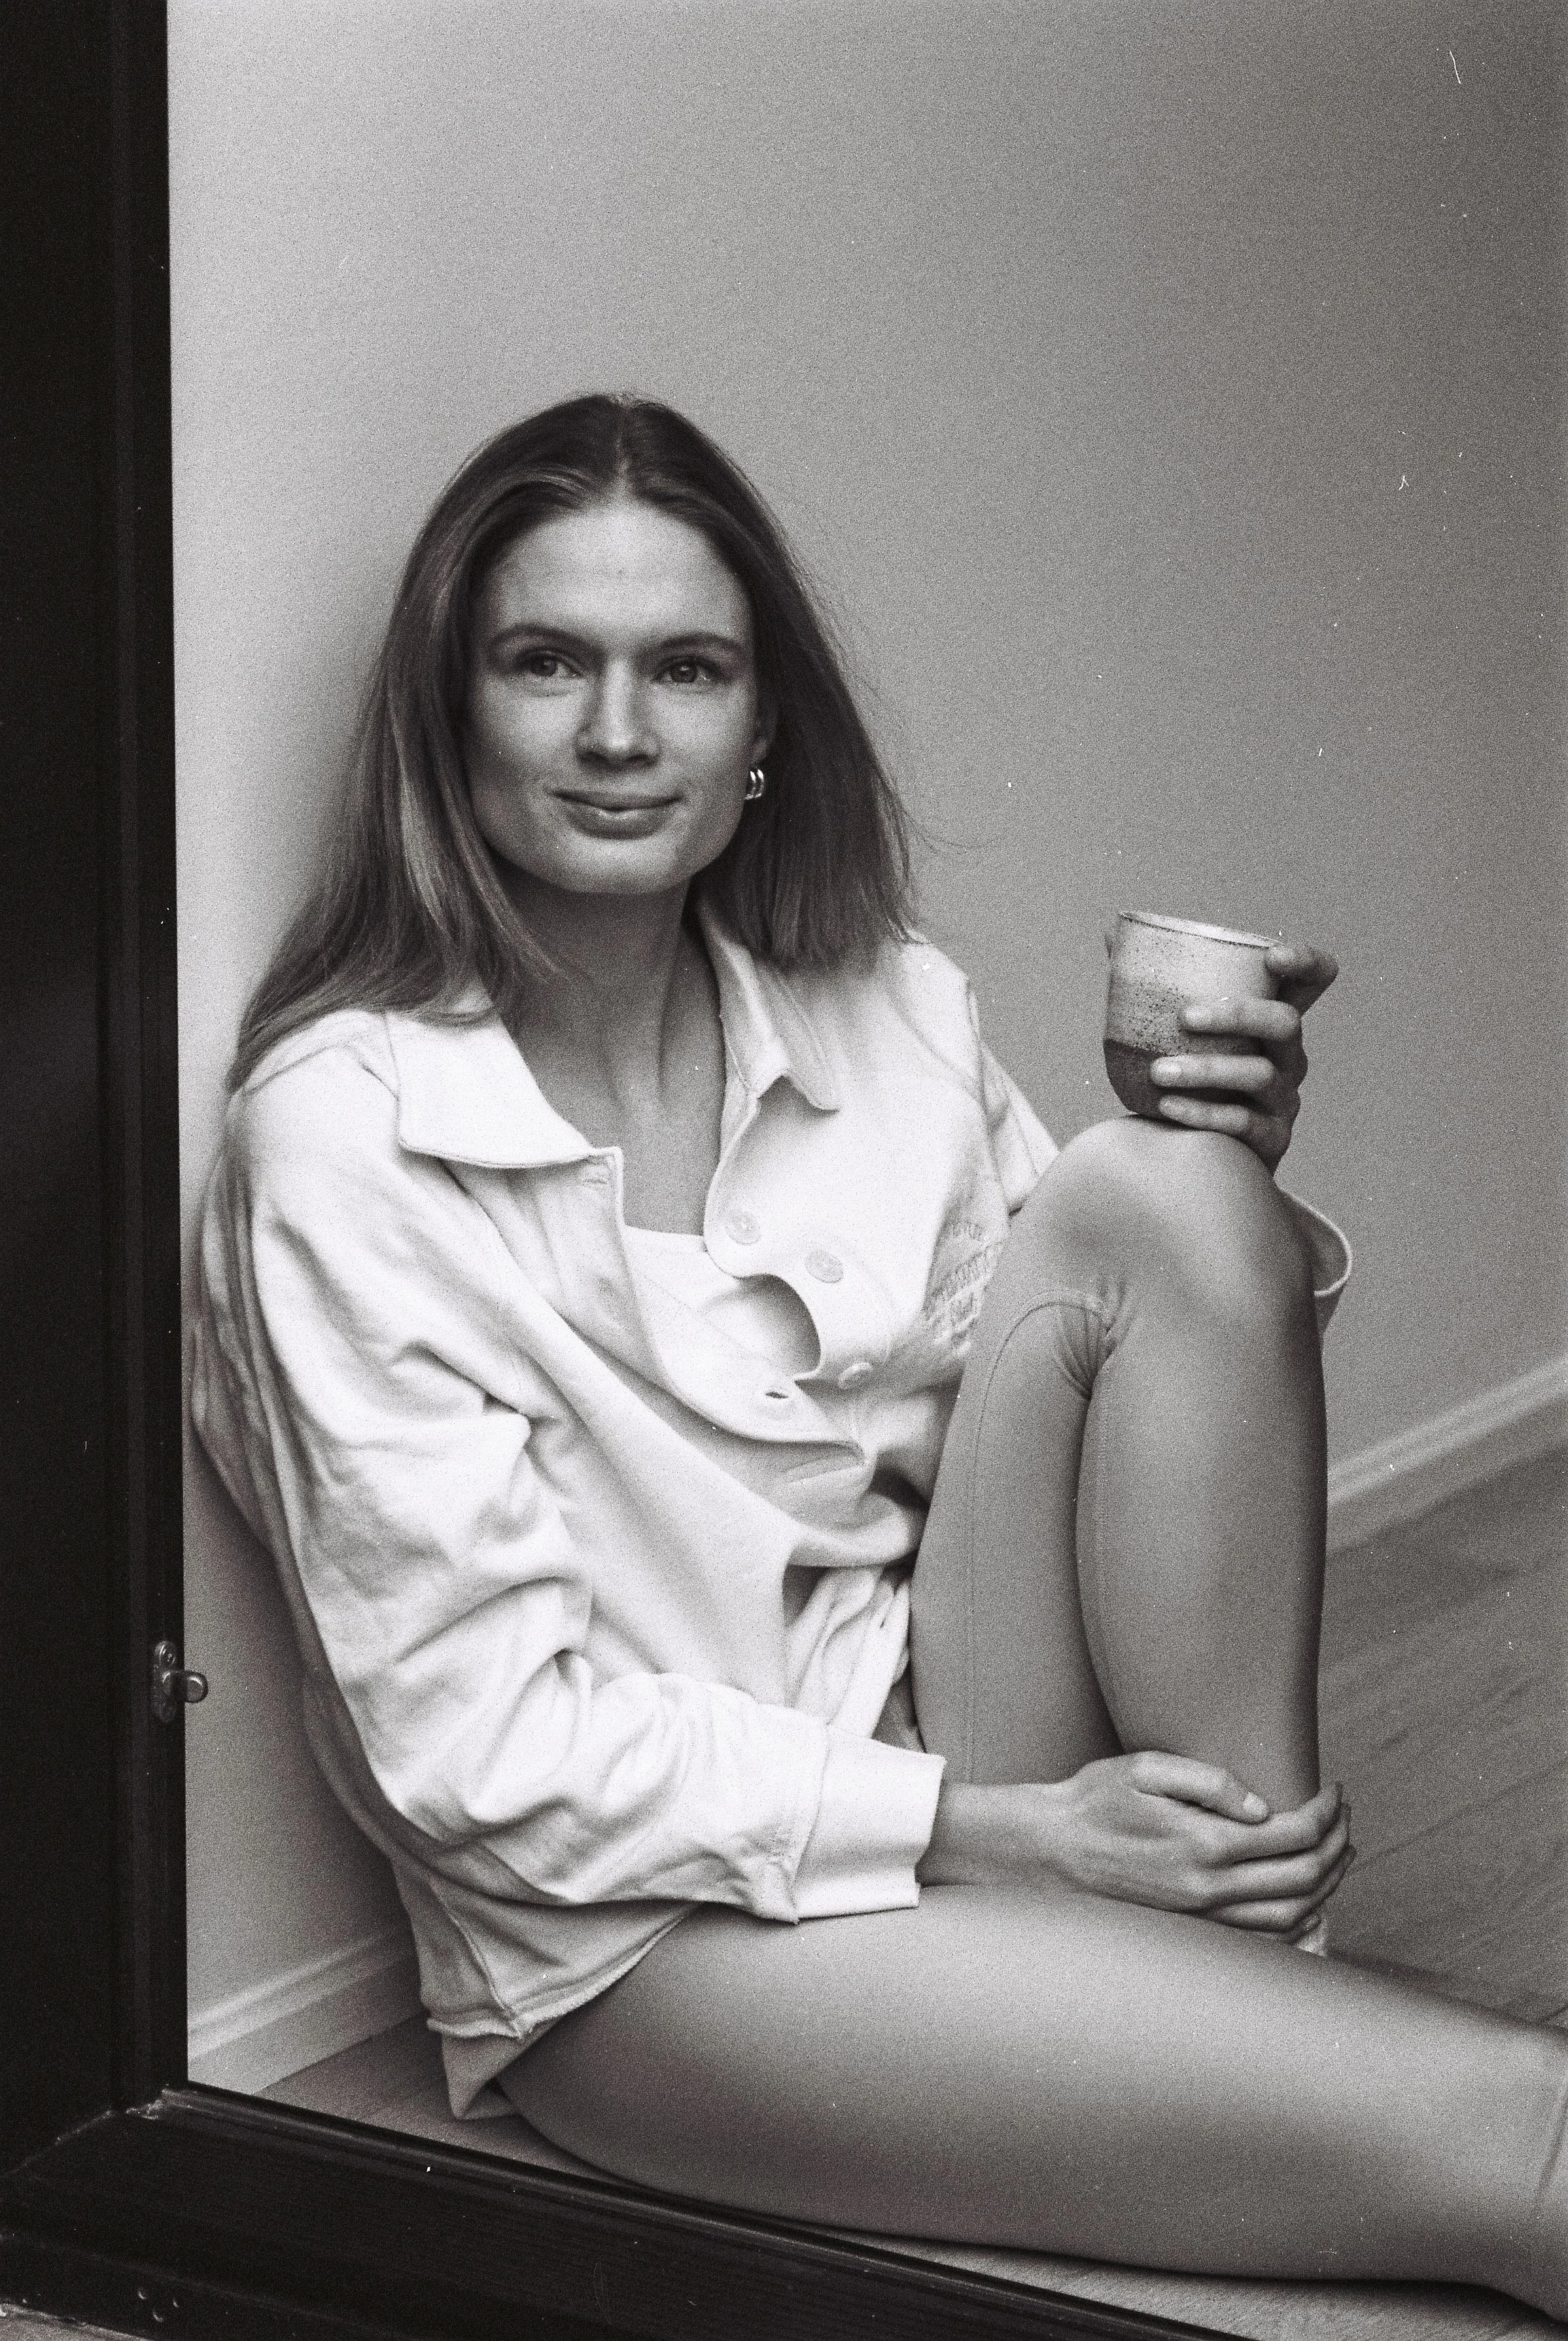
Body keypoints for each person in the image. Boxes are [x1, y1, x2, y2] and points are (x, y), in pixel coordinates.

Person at [192, 394, 1568, 2317]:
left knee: (1156, 1197)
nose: (614, 733)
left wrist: (1217, 1158)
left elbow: (1108, 1409)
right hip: (654, 1945)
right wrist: (993, 1833)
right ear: (449, 719)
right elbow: (481, 1757)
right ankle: (1256, 2034)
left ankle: (1246, 1932)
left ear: (762, 736)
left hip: (949, 1733)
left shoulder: (883, 1006)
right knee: (1523, 2141)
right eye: (542, 664)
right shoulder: (338, 1138)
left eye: (684, 669)